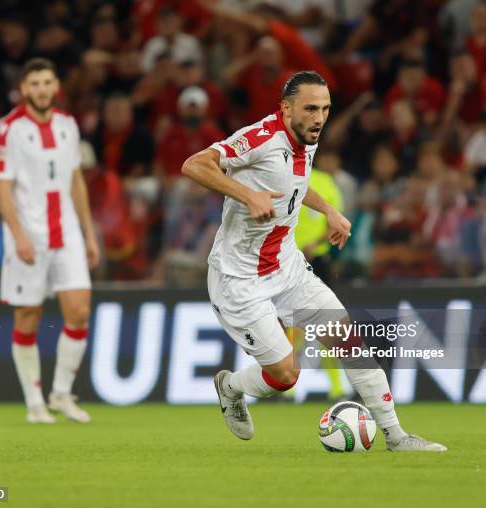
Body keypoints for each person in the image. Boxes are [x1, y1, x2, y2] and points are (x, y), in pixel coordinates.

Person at [181, 71, 446, 452]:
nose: (319, 117)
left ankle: (396, 436)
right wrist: (246, 195)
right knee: (286, 375)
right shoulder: (260, 138)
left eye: (325, 109)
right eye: (310, 108)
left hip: (286, 267)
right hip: (238, 277)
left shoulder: (307, 138)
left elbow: (295, 187)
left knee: (348, 340)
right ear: (286, 108)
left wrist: (330, 211)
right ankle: (231, 386)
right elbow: (194, 164)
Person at [0, 58, 100, 424]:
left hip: (66, 231)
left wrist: (88, 233)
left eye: (47, 82)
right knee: (28, 315)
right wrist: (18, 236)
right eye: (33, 83)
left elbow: (75, 181)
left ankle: (61, 394)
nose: (41, 89)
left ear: (56, 87)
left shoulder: (68, 125)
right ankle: (34, 401)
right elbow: (1, 187)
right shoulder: (9, 129)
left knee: (80, 310)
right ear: (24, 89)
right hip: (29, 234)